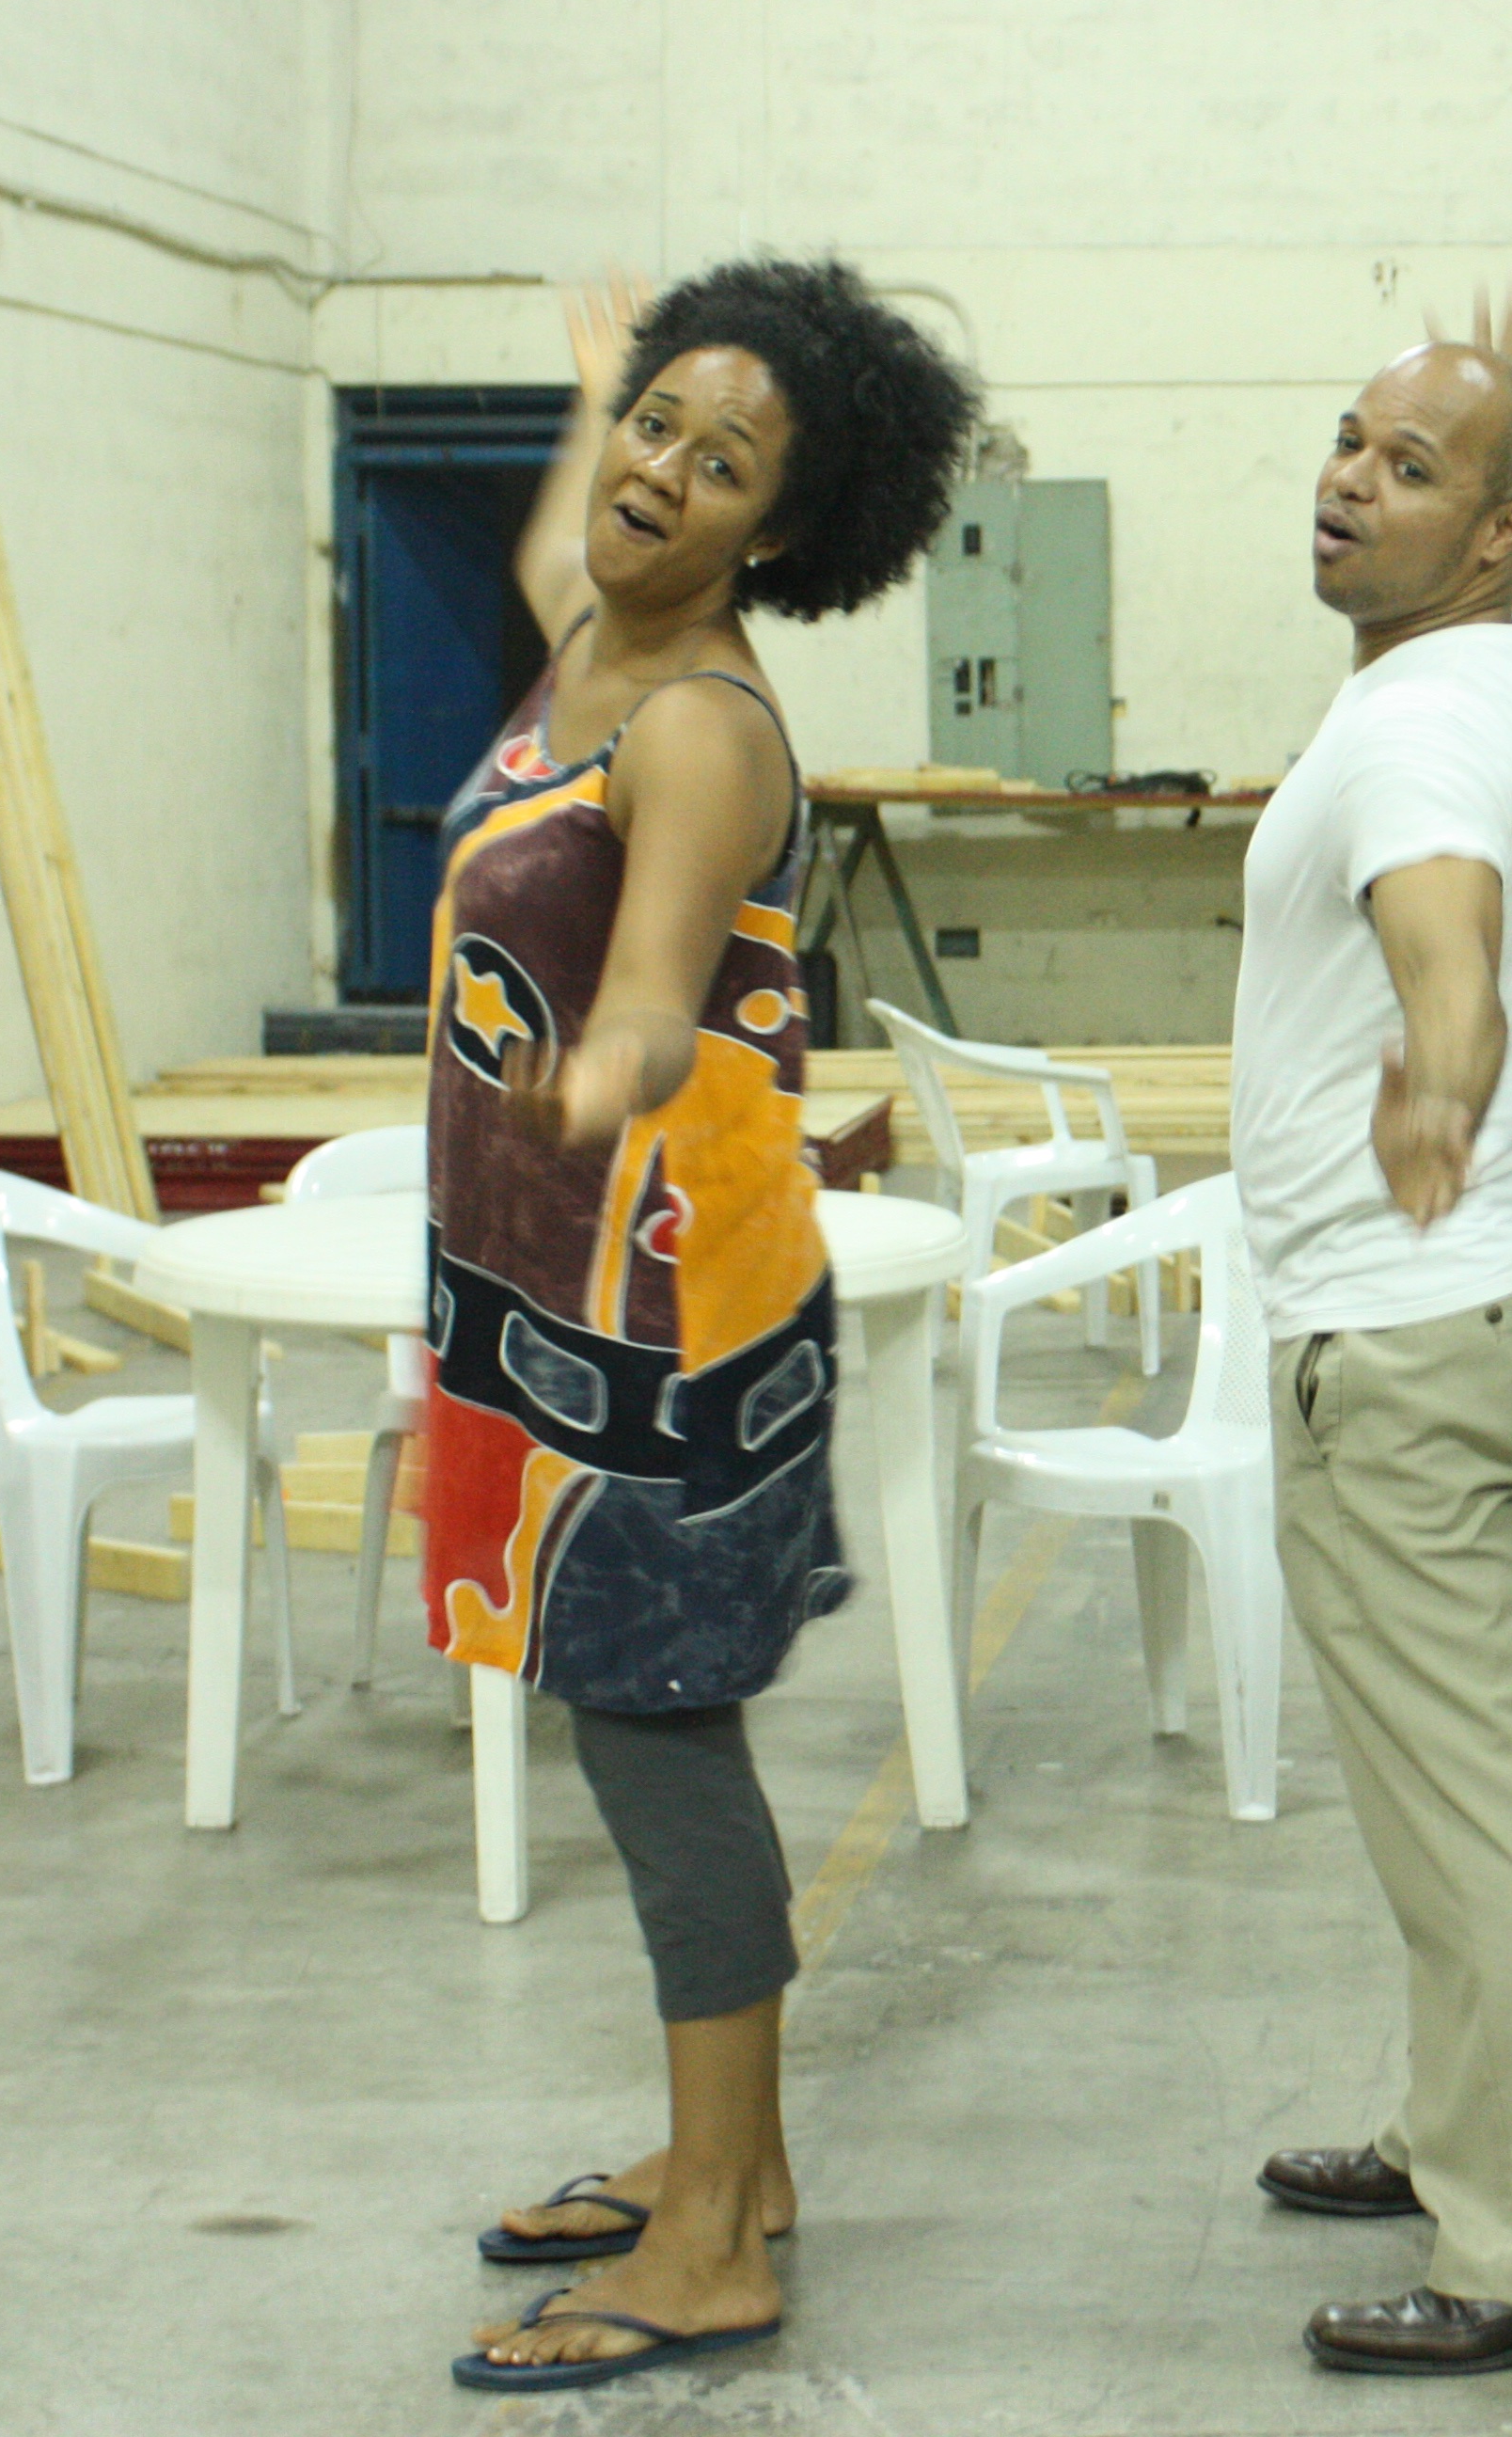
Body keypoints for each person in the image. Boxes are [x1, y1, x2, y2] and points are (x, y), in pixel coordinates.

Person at [438, 261, 975, 2392]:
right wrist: (606, 393)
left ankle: (712, 2245)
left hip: (662, 1311)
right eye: (659, 422)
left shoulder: (695, 724)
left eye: (719, 458)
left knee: (659, 1742)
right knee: (633, 1726)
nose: (660, 469)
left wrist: (605, 1068)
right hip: (554, 1282)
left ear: (781, 527)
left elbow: (657, 991)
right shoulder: (595, 635)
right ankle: (725, 2163)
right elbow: (548, 552)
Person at [1232, 323, 1512, 2377]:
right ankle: (1456, 2128)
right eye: (1349, 440)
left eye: (1408, 466)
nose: (1348, 479)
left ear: (1499, 532)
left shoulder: (1415, 722)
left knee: (1476, 1803)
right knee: (1470, 1775)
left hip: (1408, 1328)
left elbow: (1444, 933)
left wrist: (1444, 1064)